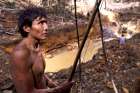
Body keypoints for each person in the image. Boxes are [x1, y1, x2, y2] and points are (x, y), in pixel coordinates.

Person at [10, 6, 74, 93]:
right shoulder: (20, 54)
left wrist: (52, 84)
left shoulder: (36, 45)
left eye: (46, 22)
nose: (46, 27)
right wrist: (58, 90)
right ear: (27, 28)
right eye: (40, 23)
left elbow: (39, 73)